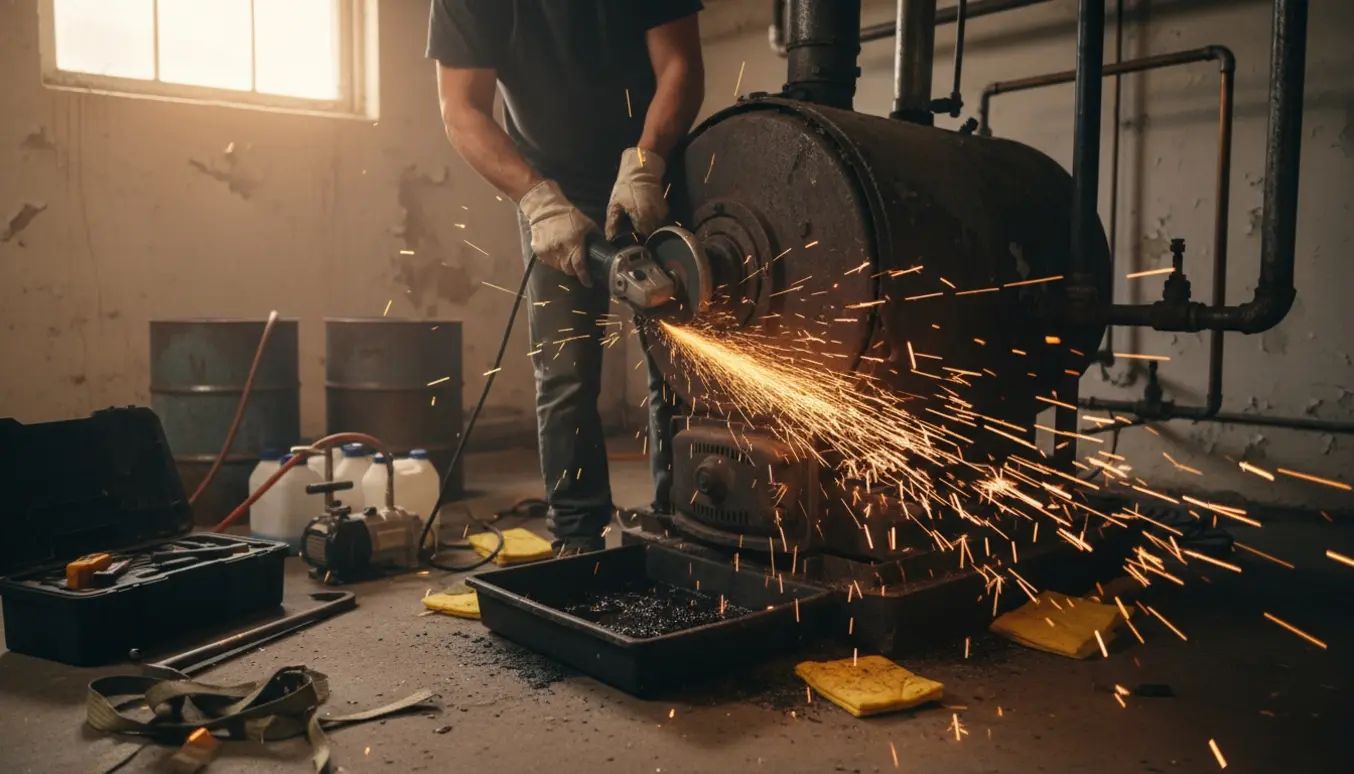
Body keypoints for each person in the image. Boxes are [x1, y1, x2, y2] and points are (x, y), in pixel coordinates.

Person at [428, 2, 706, 554]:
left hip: (652, 173)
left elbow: (680, 65)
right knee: (564, 374)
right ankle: (578, 538)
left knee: (679, 364)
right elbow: (461, 109)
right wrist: (537, 200)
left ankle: (684, 524)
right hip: (550, 192)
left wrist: (647, 159)